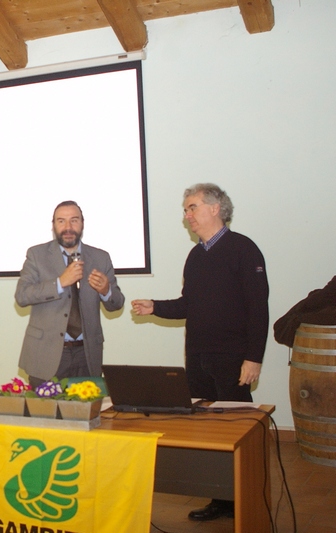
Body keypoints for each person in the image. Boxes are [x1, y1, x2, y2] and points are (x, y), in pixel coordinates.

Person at [131, 183, 269, 522]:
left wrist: (254, 358)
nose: (187, 215)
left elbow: (258, 308)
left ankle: (243, 499)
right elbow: (188, 305)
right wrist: (155, 307)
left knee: (235, 431)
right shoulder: (196, 255)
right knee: (207, 431)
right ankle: (220, 499)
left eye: (192, 207)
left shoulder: (243, 249)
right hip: (198, 360)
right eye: (185, 209)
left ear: (215, 208)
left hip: (233, 360)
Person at [15, 200, 125, 387]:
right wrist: (60, 283)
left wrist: (106, 291)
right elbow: (22, 295)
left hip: (87, 354)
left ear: (82, 223)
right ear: (53, 225)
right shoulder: (36, 254)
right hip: (46, 353)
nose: (68, 227)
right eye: (61, 221)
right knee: (45, 414)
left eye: (74, 220)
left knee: (85, 414)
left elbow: (117, 303)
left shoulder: (100, 257)